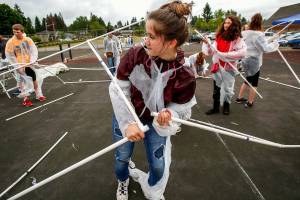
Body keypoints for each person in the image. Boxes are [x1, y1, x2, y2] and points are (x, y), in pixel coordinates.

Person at [109, 1, 196, 199]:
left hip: (154, 123)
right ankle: (123, 180)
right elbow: (117, 88)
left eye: (151, 36)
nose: (144, 41)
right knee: (122, 158)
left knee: (158, 166)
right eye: (146, 34)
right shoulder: (136, 55)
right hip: (127, 114)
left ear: (172, 42)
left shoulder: (185, 74)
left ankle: (152, 188)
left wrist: (170, 114)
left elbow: (182, 108)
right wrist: (128, 123)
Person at [202, 16, 246, 115]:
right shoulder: (219, 37)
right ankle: (215, 108)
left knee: (228, 89)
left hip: (229, 68)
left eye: (229, 23)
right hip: (217, 67)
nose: (226, 25)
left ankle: (226, 106)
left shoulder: (238, 39)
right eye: (225, 22)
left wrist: (224, 55)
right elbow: (211, 52)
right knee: (216, 89)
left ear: (234, 24)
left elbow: (242, 53)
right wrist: (207, 44)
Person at [236, 13, 279, 108]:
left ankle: (239, 98)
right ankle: (250, 102)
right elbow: (265, 49)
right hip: (254, 61)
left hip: (245, 59)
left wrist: (272, 39)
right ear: (260, 22)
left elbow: (259, 44)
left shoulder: (244, 33)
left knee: (247, 80)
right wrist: (276, 43)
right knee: (254, 82)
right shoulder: (259, 34)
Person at [5, 24, 46, 107]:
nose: (15, 33)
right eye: (14, 32)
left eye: (17, 32)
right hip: (20, 65)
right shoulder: (11, 42)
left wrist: (32, 61)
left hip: (29, 64)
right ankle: (26, 99)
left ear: (22, 31)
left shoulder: (27, 40)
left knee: (35, 78)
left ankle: (39, 95)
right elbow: (10, 55)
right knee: (25, 82)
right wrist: (17, 66)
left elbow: (33, 50)